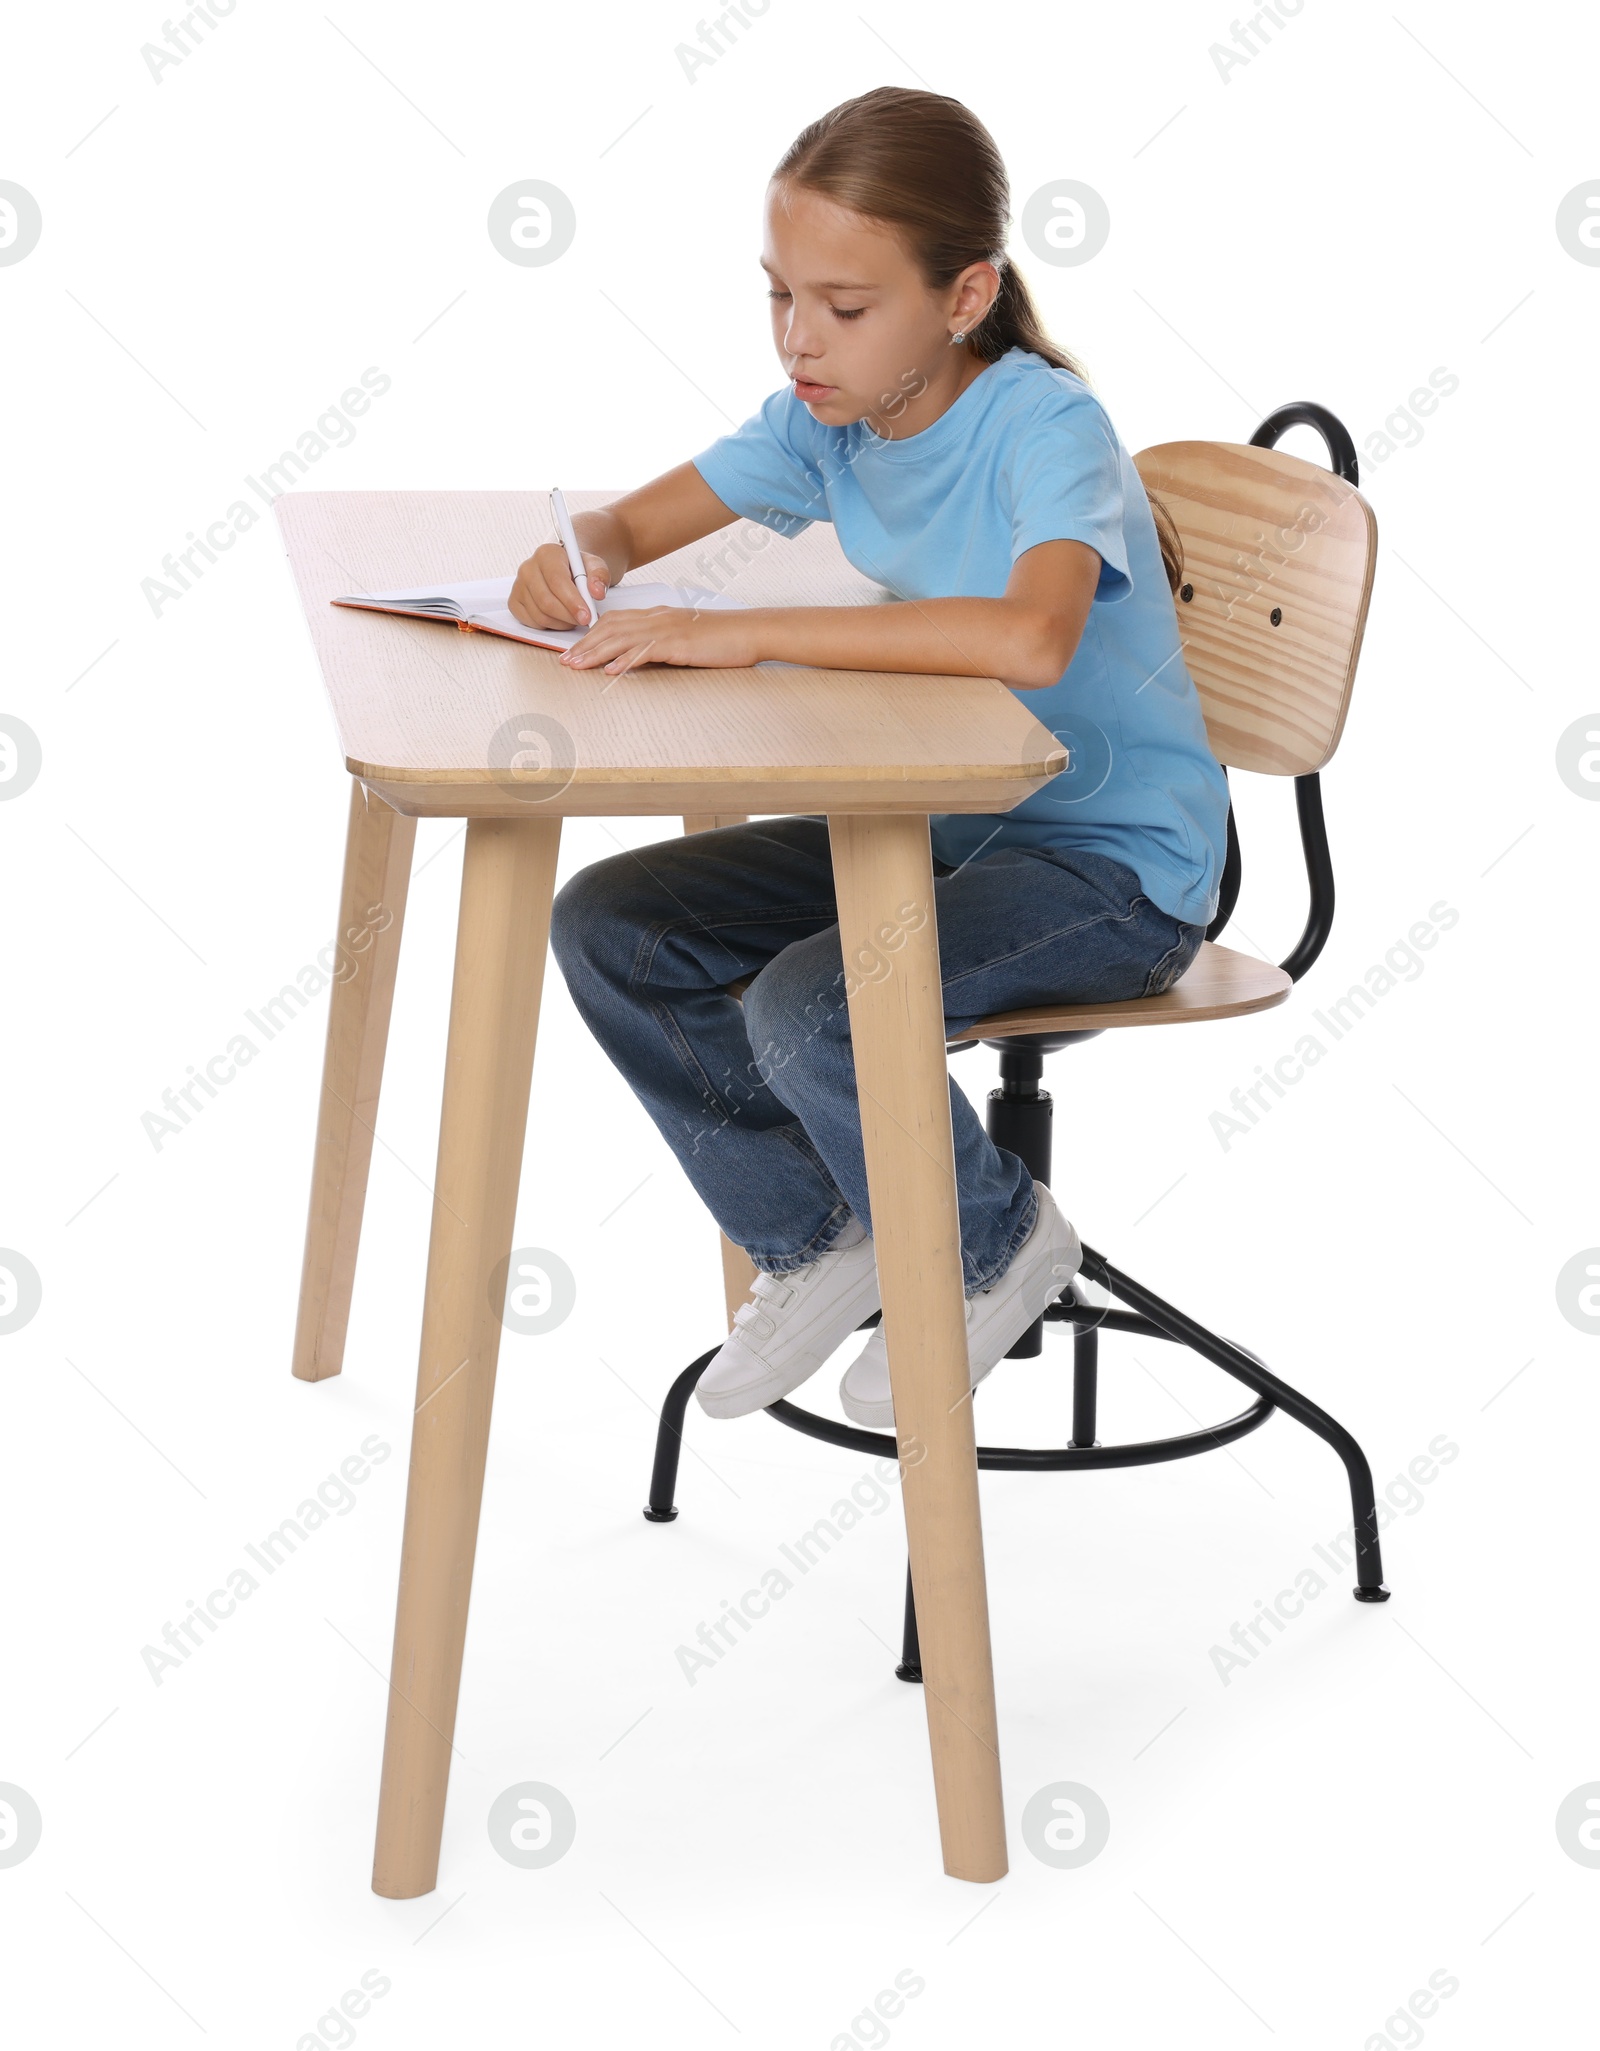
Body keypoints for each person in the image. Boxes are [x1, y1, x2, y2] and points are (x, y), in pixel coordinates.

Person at [512, 87, 1229, 1429]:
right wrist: (587, 554)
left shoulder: (1043, 425)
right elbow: (632, 521)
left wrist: (743, 635)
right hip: (948, 828)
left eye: (844, 308)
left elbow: (1032, 632)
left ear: (966, 296)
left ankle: (996, 1240)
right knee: (615, 925)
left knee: (815, 1005)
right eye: (778, 294)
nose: (799, 338)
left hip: (1115, 869)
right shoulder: (824, 417)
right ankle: (826, 1231)